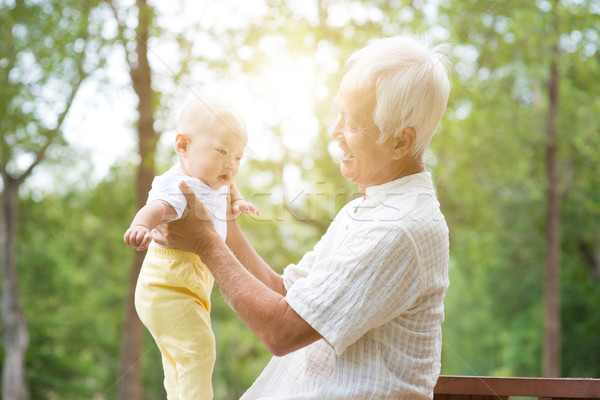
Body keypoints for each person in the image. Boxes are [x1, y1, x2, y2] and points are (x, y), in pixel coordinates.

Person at [153, 35, 451, 400]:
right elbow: (285, 295)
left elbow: (282, 331)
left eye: (352, 122)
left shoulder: (400, 228)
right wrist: (224, 224)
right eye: (338, 113)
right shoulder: (366, 210)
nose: (334, 131)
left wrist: (205, 243)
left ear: (401, 142)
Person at [123, 96, 258, 400]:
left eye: (238, 157)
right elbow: (156, 207)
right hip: (166, 285)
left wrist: (237, 201)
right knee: (199, 349)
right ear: (182, 145)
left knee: (179, 364)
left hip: (193, 285)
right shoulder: (180, 184)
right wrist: (141, 225)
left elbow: (228, 185)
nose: (230, 164)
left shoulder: (214, 178)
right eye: (222, 151)